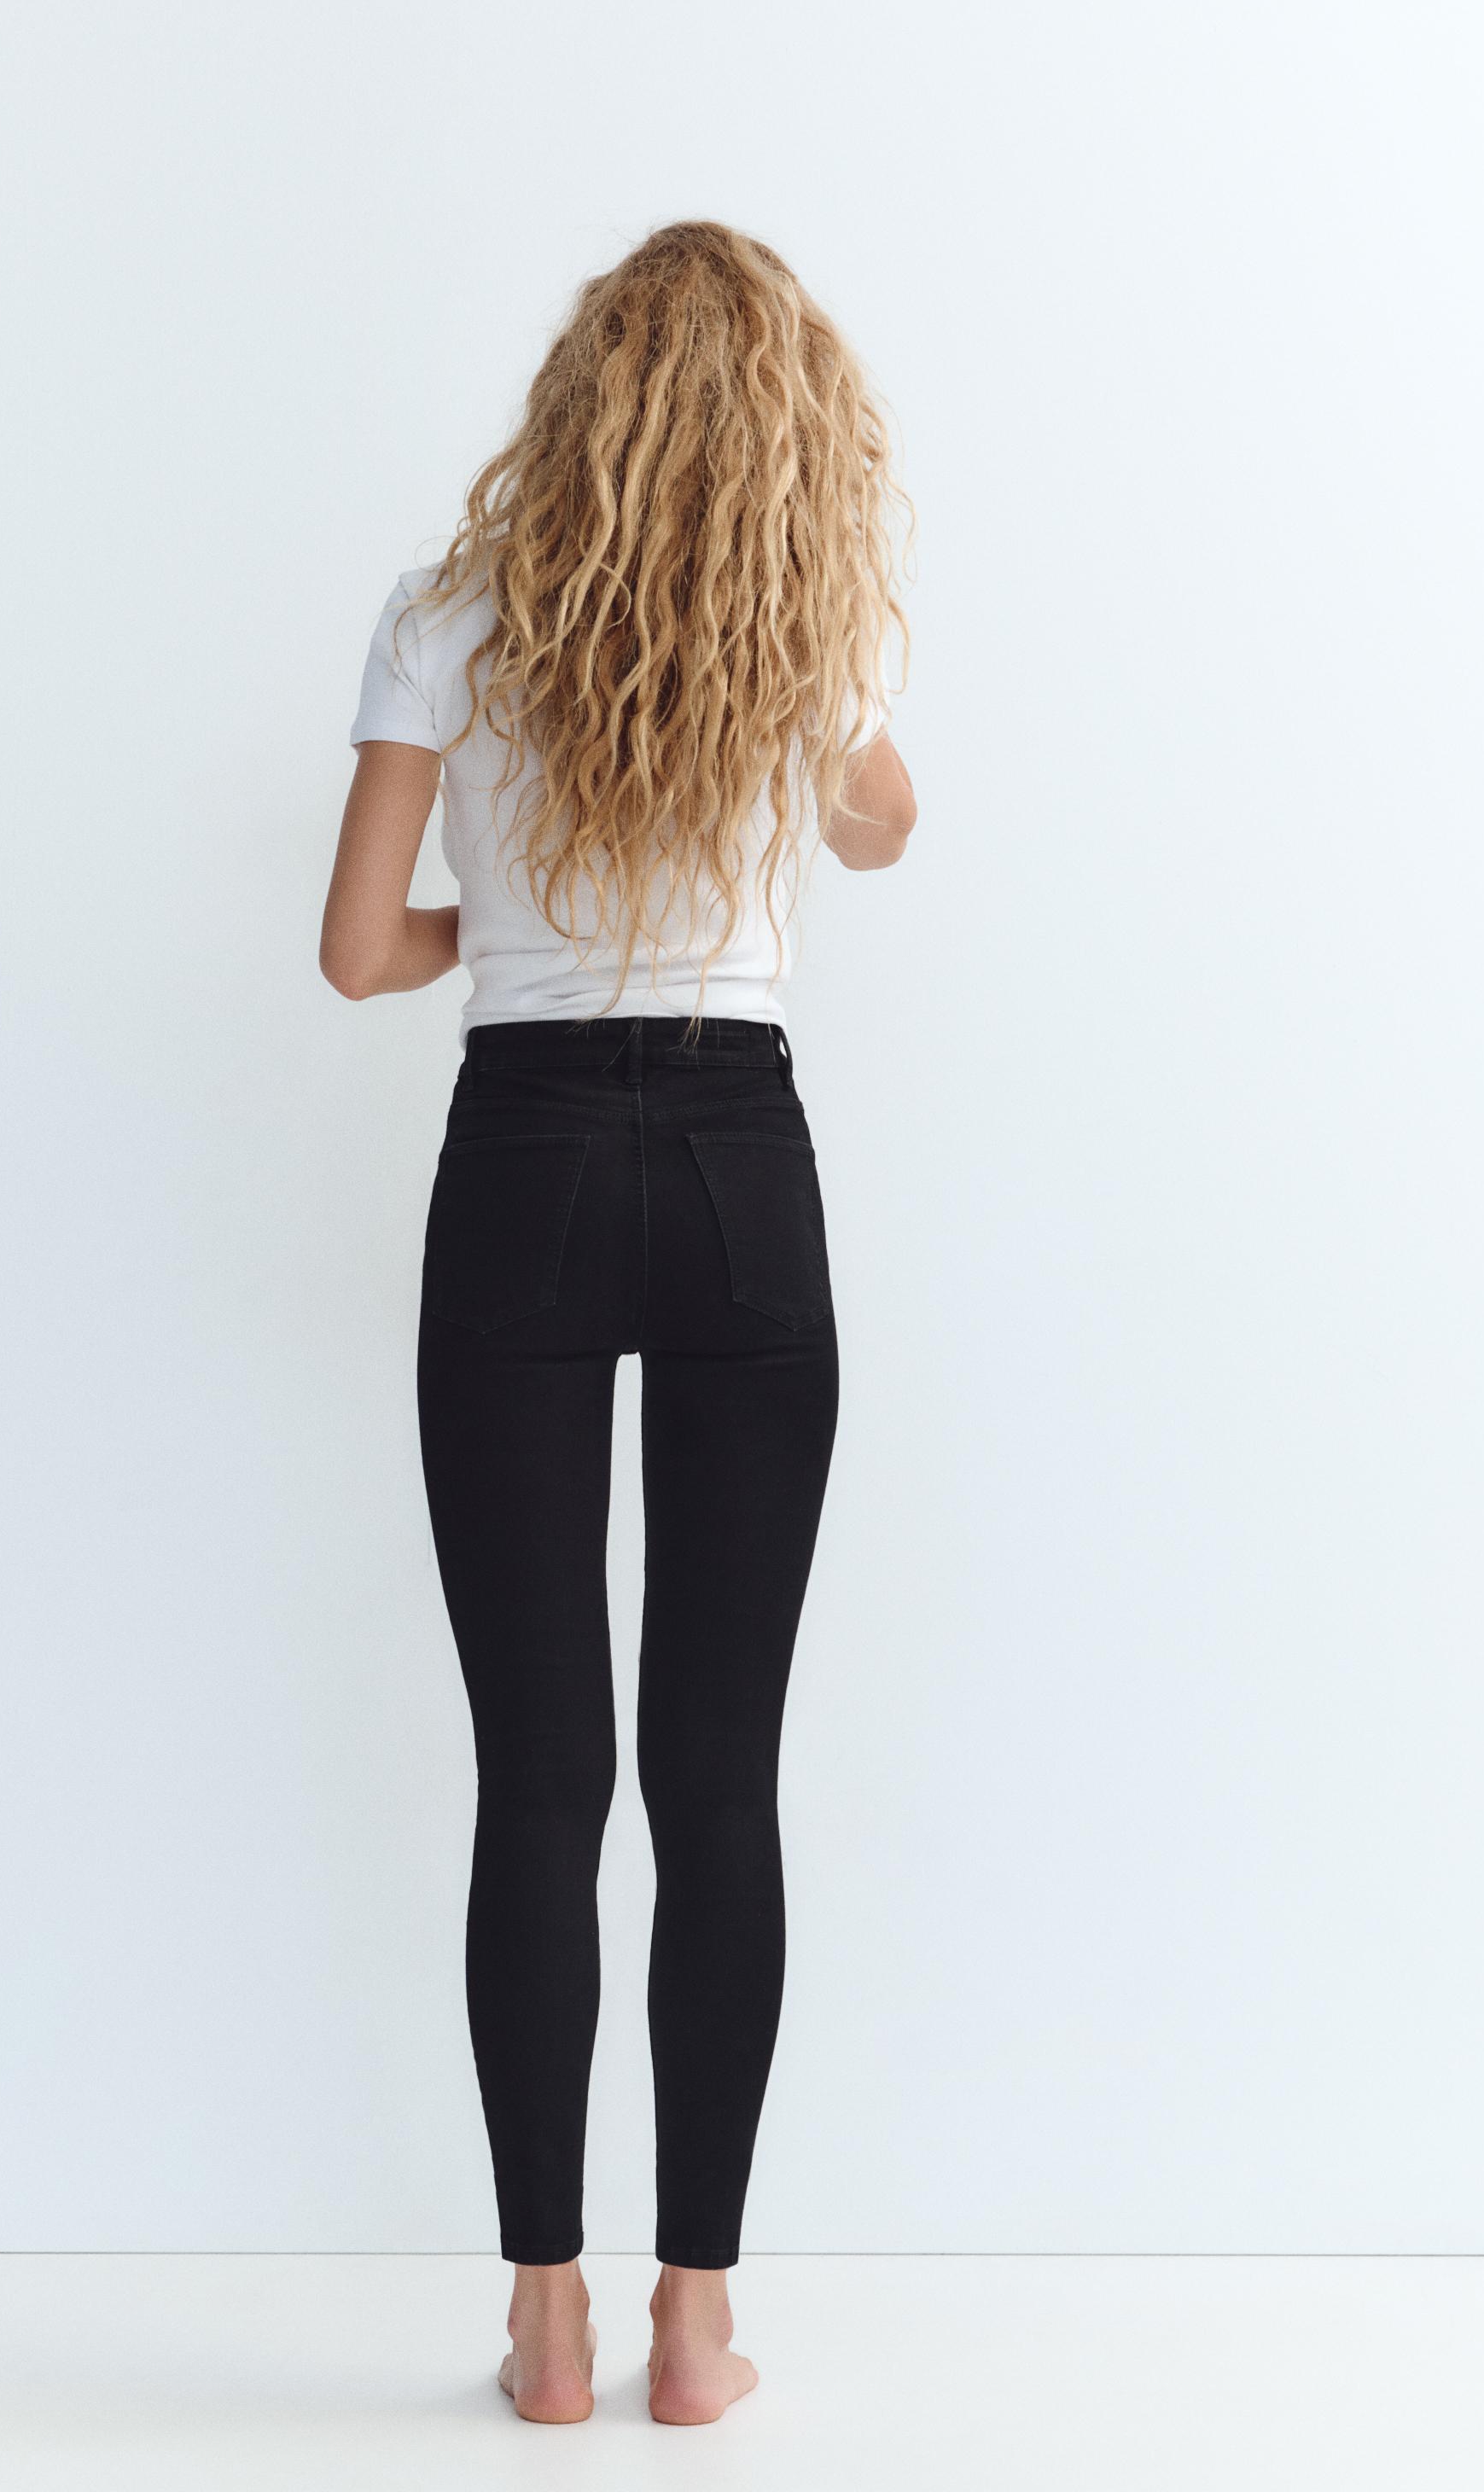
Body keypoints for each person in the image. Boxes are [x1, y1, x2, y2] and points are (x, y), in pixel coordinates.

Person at [320, 220, 917, 2425]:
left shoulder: (447, 613)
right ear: (782, 420)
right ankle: (696, 2322)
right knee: (718, 1772)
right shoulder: (788, 619)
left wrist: (511, 922)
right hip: (744, 1169)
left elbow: (358, 951)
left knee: (542, 1774)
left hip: (527, 1164)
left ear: (580, 396)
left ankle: (545, 2320)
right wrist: (779, 681)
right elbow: (884, 832)